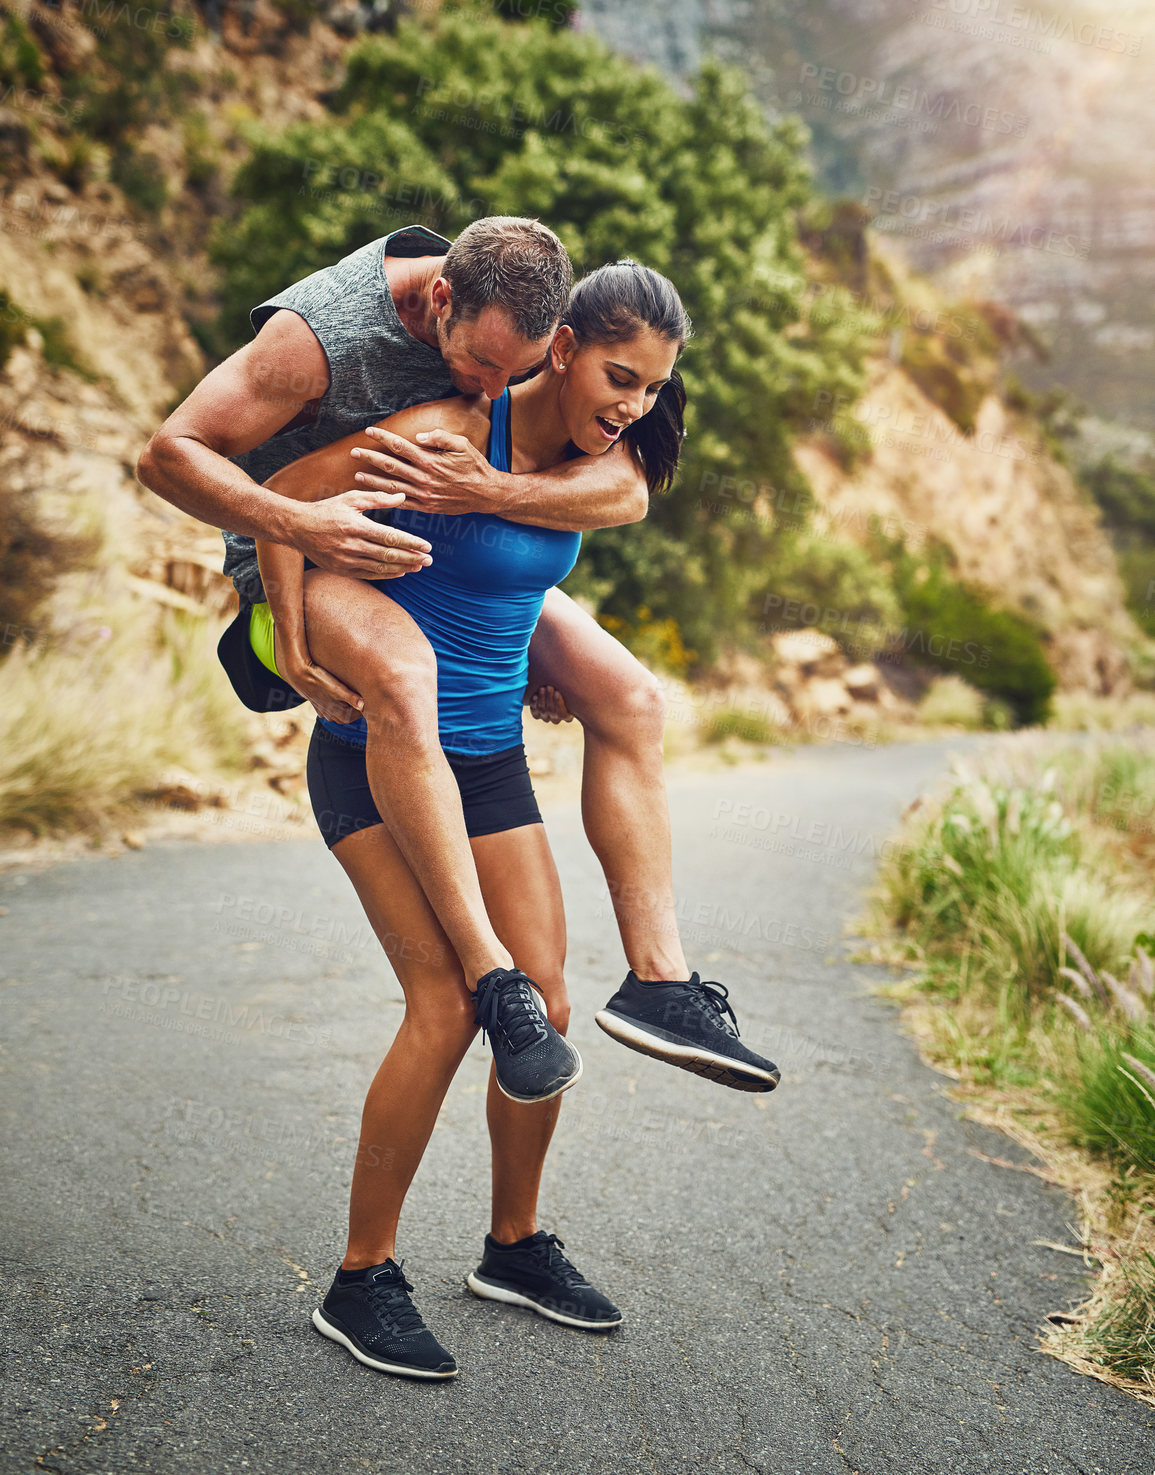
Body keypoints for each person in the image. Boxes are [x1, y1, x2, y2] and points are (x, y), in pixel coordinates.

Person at [253, 263, 776, 1379]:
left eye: (651, 389)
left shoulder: (605, 454)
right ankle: (361, 1278)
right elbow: (290, 500)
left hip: (486, 759)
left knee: (542, 1003)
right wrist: (293, 641)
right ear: (562, 345)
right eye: (620, 377)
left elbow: (625, 495)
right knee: (446, 1007)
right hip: (378, 757)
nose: (634, 404)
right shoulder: (447, 426)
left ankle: (514, 1244)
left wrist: (500, 508)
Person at [136, 216, 768, 1095]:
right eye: (483, 369)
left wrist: (497, 508)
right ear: (440, 302)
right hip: (297, 550)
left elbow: (624, 484)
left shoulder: (516, 295)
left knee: (630, 697)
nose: (494, 391)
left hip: (439, 536)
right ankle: (487, 969)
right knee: (404, 671)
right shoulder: (319, 340)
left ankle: (659, 980)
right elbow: (170, 456)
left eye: (521, 370)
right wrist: (292, 580)